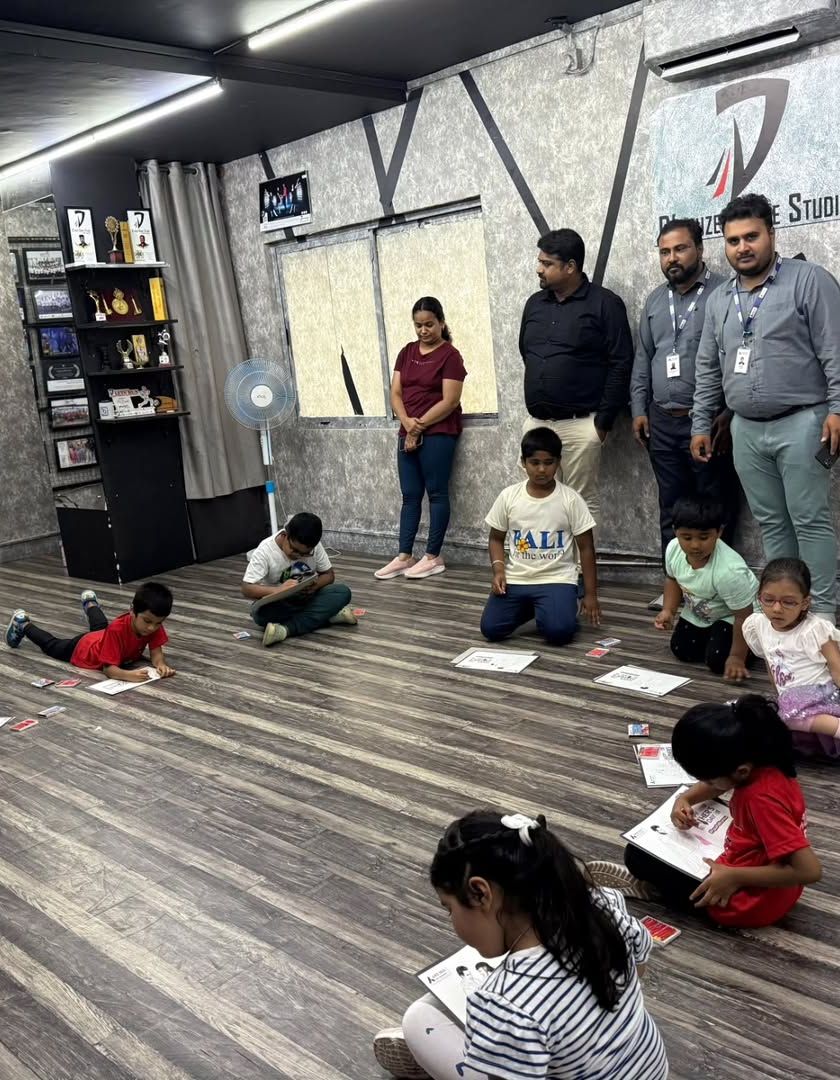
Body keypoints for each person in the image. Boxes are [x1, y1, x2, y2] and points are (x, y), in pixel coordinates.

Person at [373, 810, 668, 1080]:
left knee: (418, 1018)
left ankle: (438, 1056)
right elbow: (638, 967)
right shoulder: (601, 904)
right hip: (651, 1068)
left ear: (480, 893)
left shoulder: (504, 1002)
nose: (452, 921)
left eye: (449, 909)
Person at [691, 191, 840, 618]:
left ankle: (822, 612)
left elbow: (835, 349)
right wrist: (700, 424)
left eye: (751, 237)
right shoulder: (719, 300)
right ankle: (784, 607)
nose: (743, 247)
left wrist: (837, 409)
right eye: (733, 240)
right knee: (772, 522)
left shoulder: (809, 280)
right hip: (746, 429)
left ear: (771, 234)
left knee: (809, 519)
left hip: (803, 422)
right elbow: (707, 367)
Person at [618, 696, 822, 928]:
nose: (706, 784)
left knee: (637, 856)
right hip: (775, 887)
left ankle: (657, 893)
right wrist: (685, 798)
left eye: (708, 779)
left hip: (747, 901)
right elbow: (721, 782)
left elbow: (810, 871)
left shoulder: (760, 800)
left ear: (740, 771)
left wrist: (733, 877)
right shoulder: (766, 762)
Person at [630, 218, 737, 565]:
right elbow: (644, 358)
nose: (672, 258)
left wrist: (728, 413)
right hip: (661, 421)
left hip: (709, 421)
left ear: (700, 249)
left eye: (680, 249)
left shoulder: (725, 293)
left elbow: (736, 356)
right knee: (671, 507)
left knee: (715, 505)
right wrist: (638, 408)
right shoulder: (655, 300)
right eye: (665, 252)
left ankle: (717, 584)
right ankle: (674, 581)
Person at [519, 228, 633, 523]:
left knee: (580, 503)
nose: (539, 269)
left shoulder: (604, 303)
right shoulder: (534, 304)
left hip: (581, 425)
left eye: (547, 263)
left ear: (570, 267)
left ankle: (582, 557)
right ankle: (548, 553)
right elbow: (527, 353)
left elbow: (621, 363)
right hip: (537, 424)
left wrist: (602, 423)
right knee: (538, 499)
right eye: (540, 261)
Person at [480, 426, 600, 646]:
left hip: (557, 579)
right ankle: (537, 607)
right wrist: (498, 570)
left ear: (559, 462)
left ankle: (559, 606)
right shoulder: (509, 496)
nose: (542, 469)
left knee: (559, 633)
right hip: (517, 579)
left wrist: (590, 594)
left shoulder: (571, 499)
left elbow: (586, 548)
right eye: (535, 463)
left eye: (549, 462)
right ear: (523, 462)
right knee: (491, 629)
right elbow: (496, 538)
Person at [376, 297, 467, 581]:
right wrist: (406, 423)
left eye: (429, 324)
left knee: (437, 493)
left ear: (441, 322)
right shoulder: (406, 352)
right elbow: (395, 393)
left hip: (439, 432)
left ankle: (433, 556)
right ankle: (405, 556)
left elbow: (450, 401)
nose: (423, 330)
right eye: (418, 325)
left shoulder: (451, 356)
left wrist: (417, 428)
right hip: (407, 429)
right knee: (410, 495)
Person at [743, 557, 840, 759]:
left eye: (788, 602)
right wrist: (779, 697)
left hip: (821, 695)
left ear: (804, 603)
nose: (777, 609)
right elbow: (771, 662)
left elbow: (836, 666)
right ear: (759, 597)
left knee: (786, 711)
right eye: (768, 600)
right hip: (790, 701)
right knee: (752, 712)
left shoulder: (815, 629)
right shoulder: (758, 625)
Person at [654, 497, 757, 680]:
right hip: (702, 613)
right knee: (681, 649)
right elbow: (672, 579)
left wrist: (737, 657)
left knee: (718, 661)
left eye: (704, 537)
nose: (695, 545)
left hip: (735, 616)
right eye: (687, 537)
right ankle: (716, 637)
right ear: (675, 531)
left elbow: (744, 616)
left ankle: (753, 647)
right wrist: (668, 610)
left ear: (719, 532)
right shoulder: (673, 549)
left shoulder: (729, 571)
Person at [5, 583, 175, 682]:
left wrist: (160, 665)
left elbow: (156, 653)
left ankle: (90, 604)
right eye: (147, 621)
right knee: (52, 645)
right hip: (83, 648)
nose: (152, 628)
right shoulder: (117, 629)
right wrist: (128, 675)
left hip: (102, 636)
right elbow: (109, 670)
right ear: (132, 611)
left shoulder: (153, 623)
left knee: (101, 625)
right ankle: (23, 624)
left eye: (158, 623)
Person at [242, 512, 355, 647]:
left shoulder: (314, 546)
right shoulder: (265, 550)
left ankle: (284, 630)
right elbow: (247, 588)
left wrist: (315, 586)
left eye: (305, 553)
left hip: (308, 597)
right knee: (259, 614)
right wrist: (279, 590)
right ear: (285, 535)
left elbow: (329, 575)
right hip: (280, 603)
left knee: (342, 592)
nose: (298, 555)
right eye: (294, 550)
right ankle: (327, 616)